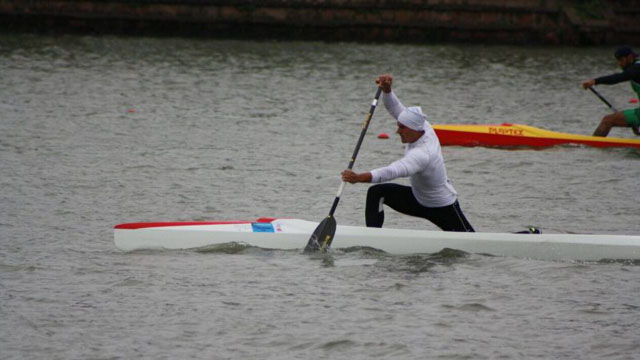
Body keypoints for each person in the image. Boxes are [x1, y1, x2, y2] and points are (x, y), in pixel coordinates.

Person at [341, 75, 474, 232]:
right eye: (399, 125)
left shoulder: (423, 153)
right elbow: (394, 107)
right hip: (417, 200)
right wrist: (387, 91)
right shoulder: (419, 124)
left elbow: (392, 171)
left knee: (472, 242)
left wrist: (358, 178)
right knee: (376, 193)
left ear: (414, 129)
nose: (397, 131)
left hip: (442, 207)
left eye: (402, 127)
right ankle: (373, 237)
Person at [582, 45, 640, 137]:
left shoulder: (637, 68)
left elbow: (618, 78)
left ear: (629, 57)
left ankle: (592, 147)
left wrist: (595, 81)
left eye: (621, 60)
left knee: (608, 120)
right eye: (618, 60)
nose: (619, 64)